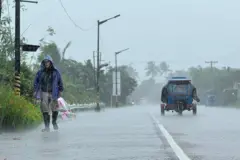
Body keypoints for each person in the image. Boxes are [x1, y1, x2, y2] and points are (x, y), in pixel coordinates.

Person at [33, 55, 64, 132]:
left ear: (51, 63)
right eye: (45, 62)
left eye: (48, 62)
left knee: (55, 109)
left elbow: (60, 82)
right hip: (44, 92)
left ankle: (54, 122)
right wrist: (35, 90)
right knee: (45, 110)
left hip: (54, 93)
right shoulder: (40, 72)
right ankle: (47, 127)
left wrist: (60, 91)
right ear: (43, 63)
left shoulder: (56, 72)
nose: (46, 63)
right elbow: (36, 81)